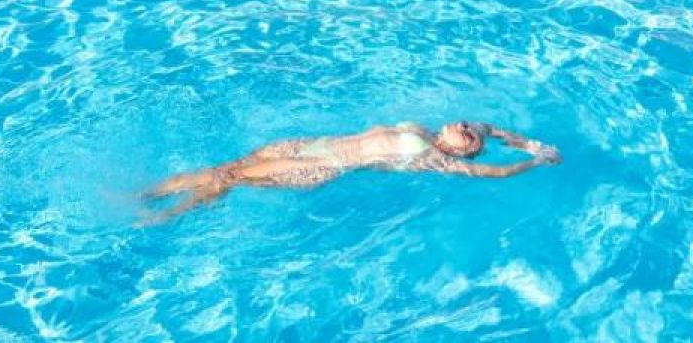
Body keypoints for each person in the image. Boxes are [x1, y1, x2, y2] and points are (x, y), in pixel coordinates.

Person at [142, 120, 560, 221]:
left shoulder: (436, 158)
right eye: (466, 126)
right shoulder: (432, 132)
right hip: (310, 144)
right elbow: (490, 128)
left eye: (467, 136)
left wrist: (534, 162)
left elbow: (496, 174)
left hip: (318, 165)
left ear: (459, 152)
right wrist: (531, 143)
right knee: (224, 168)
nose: (467, 126)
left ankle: (166, 215)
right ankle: (142, 196)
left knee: (229, 180)